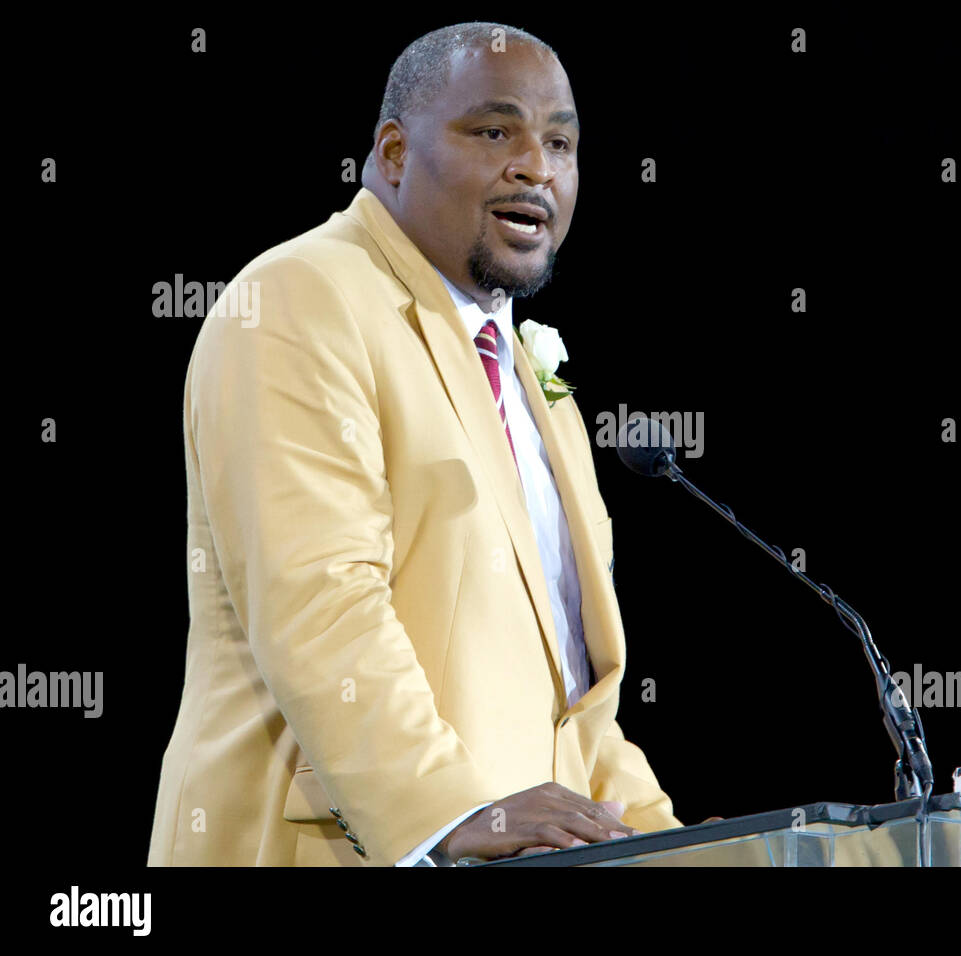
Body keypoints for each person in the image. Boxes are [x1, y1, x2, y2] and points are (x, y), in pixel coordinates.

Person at [147, 22, 693, 867]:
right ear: (394, 153)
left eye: (560, 142)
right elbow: (322, 601)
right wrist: (447, 809)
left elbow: (578, 712)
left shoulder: (531, 379)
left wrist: (677, 849)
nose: (536, 167)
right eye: (493, 131)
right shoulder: (301, 299)